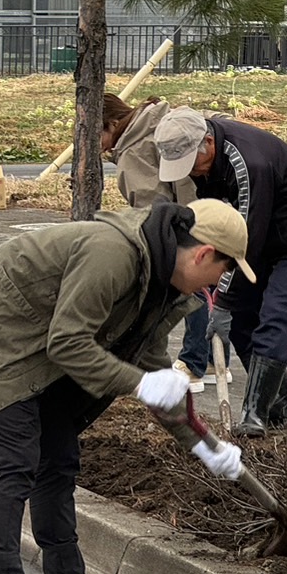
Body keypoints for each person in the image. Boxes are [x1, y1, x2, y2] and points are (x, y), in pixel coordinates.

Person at [0, 198, 254, 574]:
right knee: (16, 460)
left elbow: (155, 367)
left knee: (59, 458)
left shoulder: (162, 283)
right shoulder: (114, 253)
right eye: (223, 270)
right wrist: (141, 385)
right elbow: (69, 344)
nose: (220, 281)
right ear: (202, 254)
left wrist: (205, 445)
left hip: (40, 343)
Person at [154, 107, 287, 436]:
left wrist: (222, 301)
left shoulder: (249, 162)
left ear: (208, 142)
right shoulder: (204, 160)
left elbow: (244, 236)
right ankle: (280, 411)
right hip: (260, 235)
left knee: (276, 314)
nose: (192, 173)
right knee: (240, 321)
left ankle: (255, 415)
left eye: (193, 164)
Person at [101, 94, 215, 393]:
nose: (94, 141)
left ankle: (193, 365)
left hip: (185, 221)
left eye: (97, 132)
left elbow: (150, 206)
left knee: (190, 287)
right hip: (209, 208)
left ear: (113, 124)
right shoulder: (157, 120)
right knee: (211, 285)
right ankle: (212, 358)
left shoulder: (133, 150)